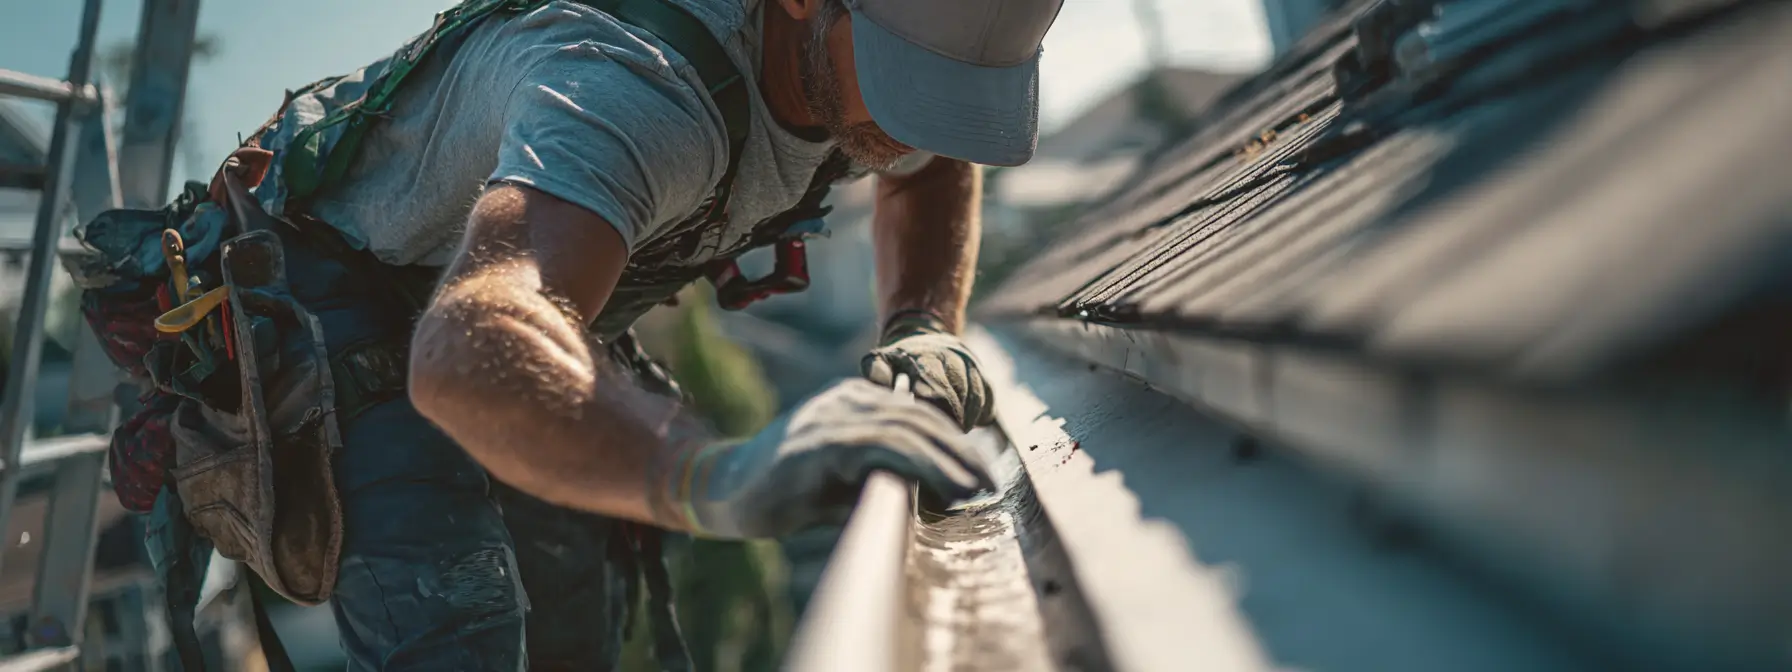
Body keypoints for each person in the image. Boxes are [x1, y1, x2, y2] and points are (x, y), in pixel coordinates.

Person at [104, 0, 1065, 668]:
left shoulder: (866, 60)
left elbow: (926, 158)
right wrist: (703, 473)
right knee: (458, 641)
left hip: (526, 306)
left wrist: (925, 325)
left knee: (574, 636)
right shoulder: (631, 92)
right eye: (906, 84)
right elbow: (466, 341)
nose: (918, 124)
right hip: (355, 302)